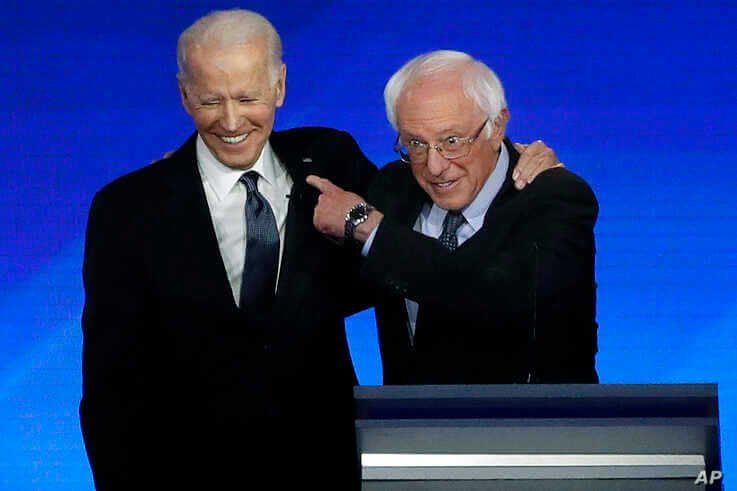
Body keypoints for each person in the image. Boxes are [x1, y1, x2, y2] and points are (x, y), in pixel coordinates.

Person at [80, 10, 558, 488]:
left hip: (325, 469)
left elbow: (435, 199)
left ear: (279, 86)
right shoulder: (129, 210)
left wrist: (515, 158)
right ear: (185, 94)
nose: (230, 121)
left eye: (248, 98)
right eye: (210, 101)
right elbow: (110, 389)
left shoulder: (330, 158)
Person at [308, 50, 599, 386]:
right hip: (410, 430)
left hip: (531, 429)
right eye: (415, 143)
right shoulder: (392, 188)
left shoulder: (555, 198)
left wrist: (368, 225)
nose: (434, 166)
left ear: (497, 125)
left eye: (452, 141)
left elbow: (483, 293)